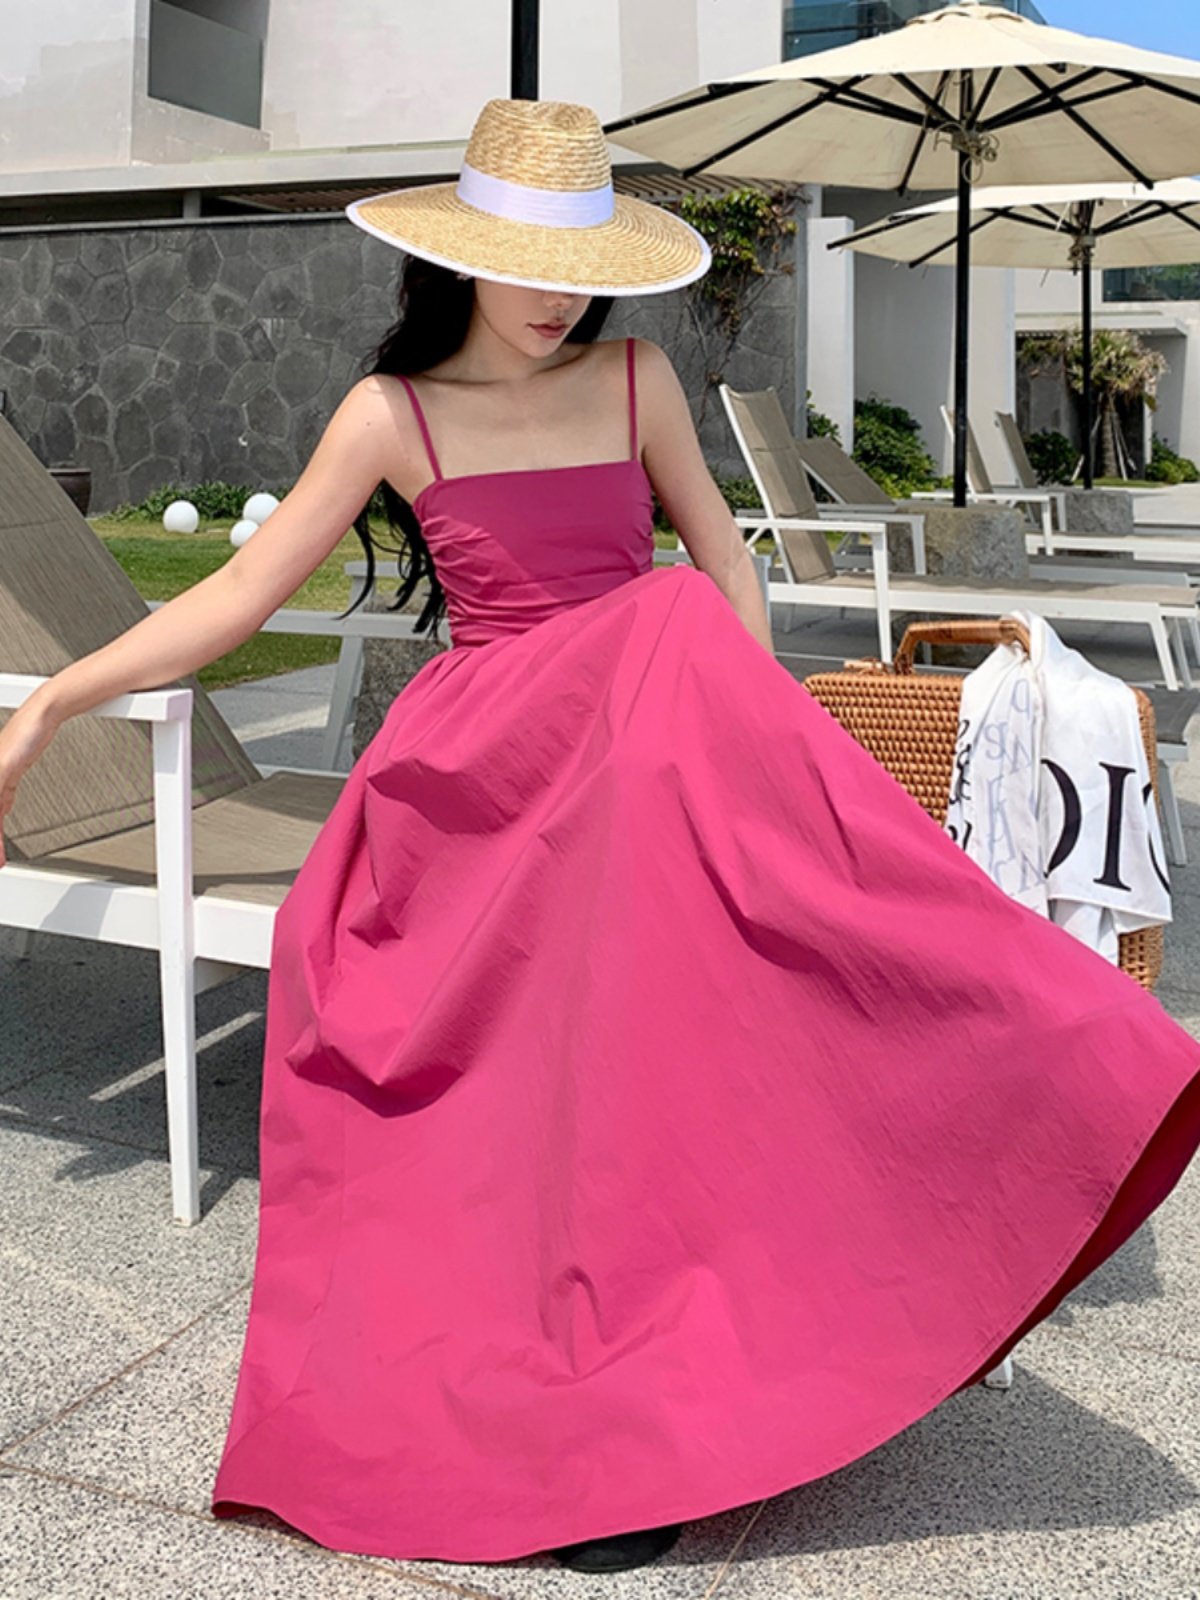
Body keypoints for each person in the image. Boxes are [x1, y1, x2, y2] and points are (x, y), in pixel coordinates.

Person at [1, 96, 1199, 1580]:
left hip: (649, 747)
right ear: (462, 255)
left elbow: (721, 562)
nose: (558, 297)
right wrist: (55, 697)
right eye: (529, 265)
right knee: (649, 704)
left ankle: (776, 1309)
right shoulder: (391, 414)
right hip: (488, 784)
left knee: (680, 652)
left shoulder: (634, 378)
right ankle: (584, 1403)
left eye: (580, 268)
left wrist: (751, 733)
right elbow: (238, 600)